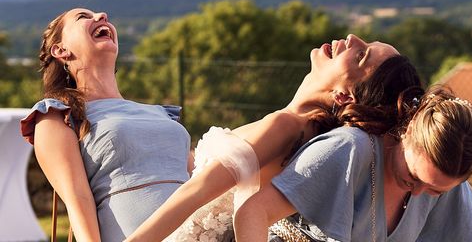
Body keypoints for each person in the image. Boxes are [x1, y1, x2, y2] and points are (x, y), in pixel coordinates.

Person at [234, 85, 472, 242]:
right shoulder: (348, 152)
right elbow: (254, 211)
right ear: (405, 132)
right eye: (411, 178)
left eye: (437, 191)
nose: (421, 194)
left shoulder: (439, 187)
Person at [126, 33, 418, 241]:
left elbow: (194, 194)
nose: (352, 37)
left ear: (344, 96)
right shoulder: (310, 135)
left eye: (360, 54)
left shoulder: (286, 127)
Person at [20, 8, 193, 242]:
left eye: (101, 16)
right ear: (61, 50)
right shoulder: (56, 115)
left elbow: (199, 180)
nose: (101, 16)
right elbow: (78, 199)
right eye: (83, 17)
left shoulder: (162, 114)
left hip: (200, 229)